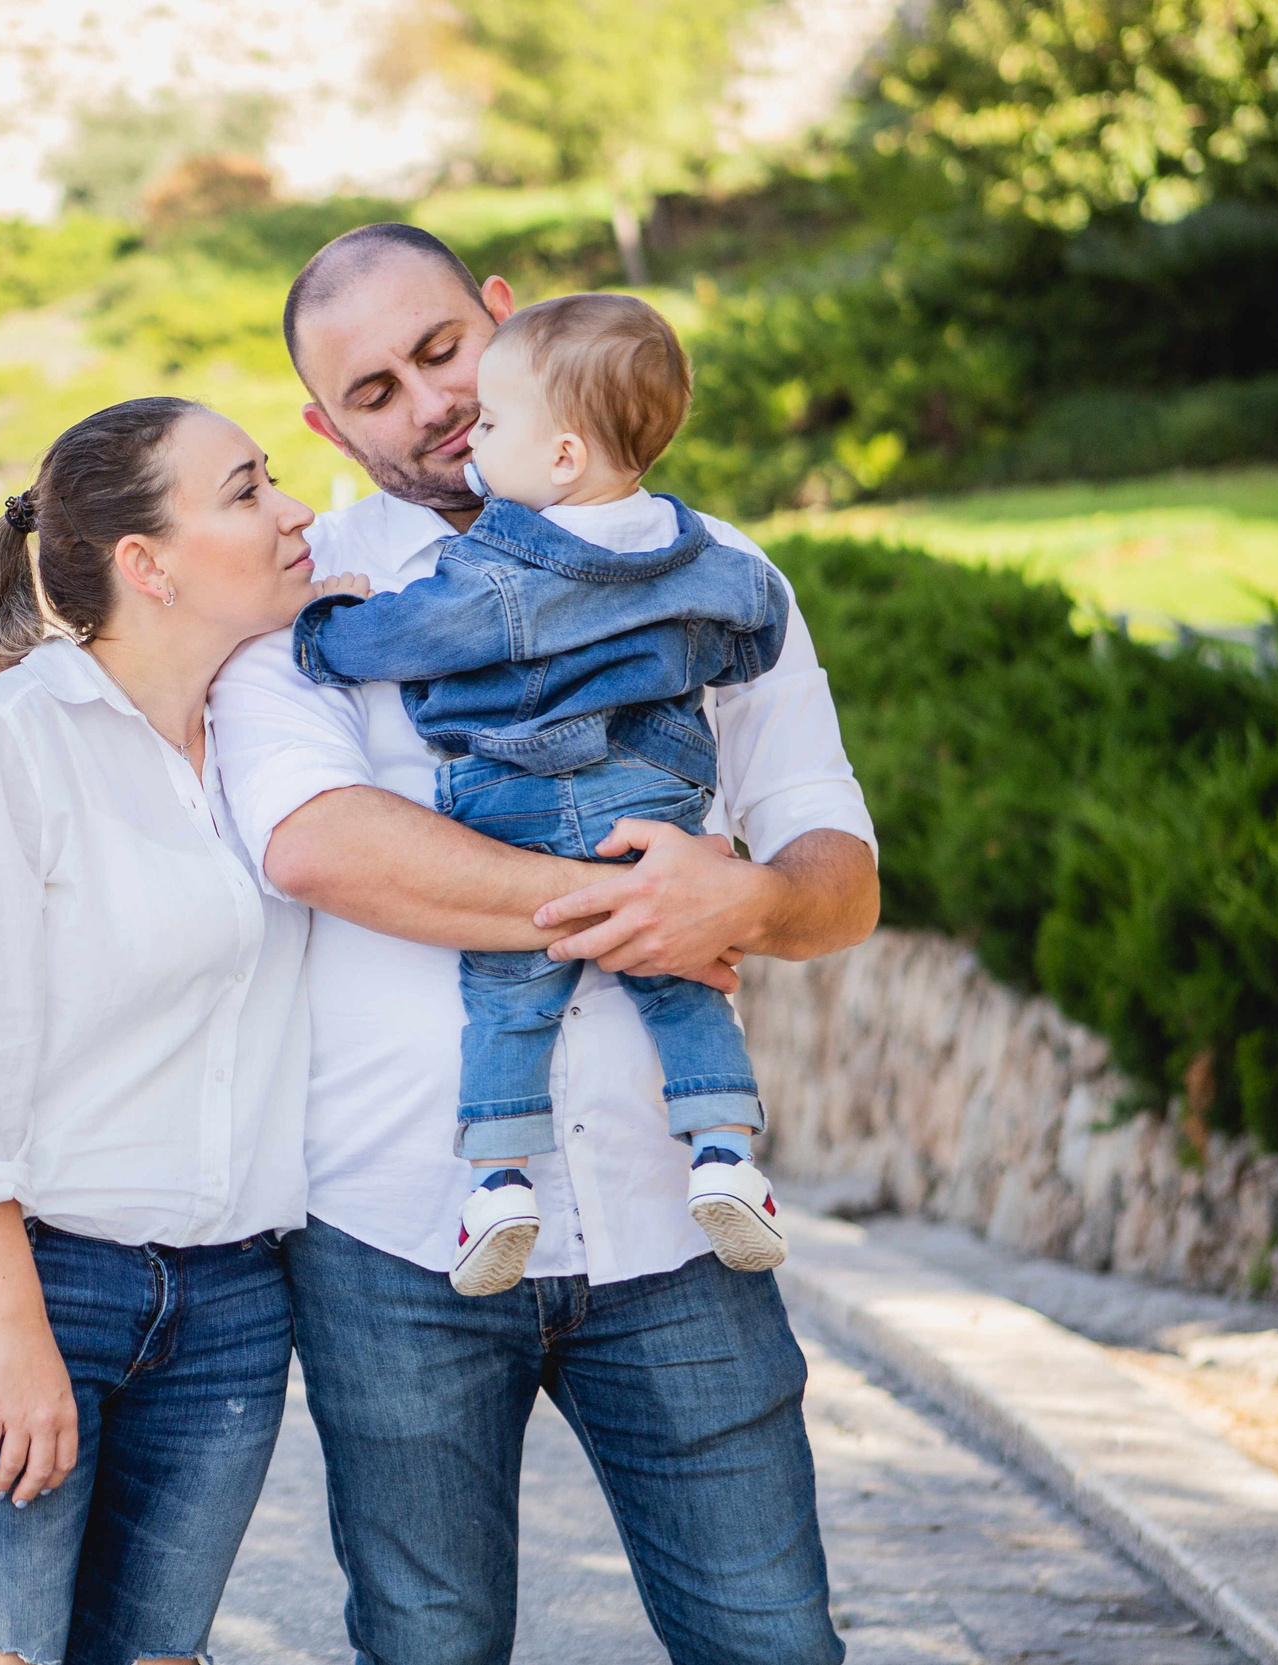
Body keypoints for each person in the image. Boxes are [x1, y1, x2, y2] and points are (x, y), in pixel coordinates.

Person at [212, 225, 878, 1664]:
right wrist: (649, 910)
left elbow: (835, 866)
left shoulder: (714, 571)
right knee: (429, 1645)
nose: (430, 403)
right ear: (328, 427)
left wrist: (749, 901)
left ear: (502, 316)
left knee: (775, 1641)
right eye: (374, 391)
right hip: (397, 1236)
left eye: (442, 351)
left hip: (678, 1222)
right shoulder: (305, 599)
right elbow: (322, 844)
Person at [0, 396, 320, 1665]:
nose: (294, 510)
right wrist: (17, 1335)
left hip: (225, 1303)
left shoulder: (276, 740)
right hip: (4, 1286)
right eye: (247, 491)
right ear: (144, 565)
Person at [289, 291, 791, 1296]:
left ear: (559, 457)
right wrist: (675, 900)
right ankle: (727, 1153)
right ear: (329, 424)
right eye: (381, 390)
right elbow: (755, 632)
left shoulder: (503, 573)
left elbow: (400, 638)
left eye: (484, 408)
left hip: (519, 798)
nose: (458, 419)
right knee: (682, 980)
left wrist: (321, 628)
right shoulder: (706, 553)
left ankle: (497, 1181)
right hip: (654, 812)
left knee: (505, 996)